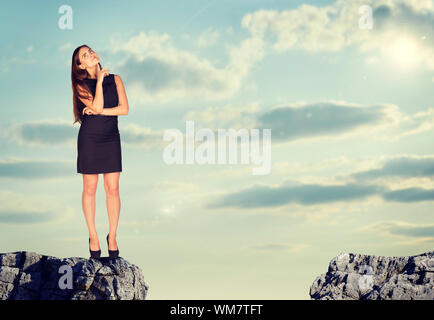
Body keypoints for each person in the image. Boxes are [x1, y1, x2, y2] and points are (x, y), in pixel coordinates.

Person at [71, 45, 129, 259]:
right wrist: (99, 82)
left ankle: (112, 236)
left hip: (111, 137)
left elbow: (124, 109)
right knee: (90, 188)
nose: (91, 54)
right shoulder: (80, 84)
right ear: (81, 65)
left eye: (91, 51)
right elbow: (96, 104)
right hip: (90, 138)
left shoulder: (116, 79)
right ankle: (93, 236)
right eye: (85, 55)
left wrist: (99, 112)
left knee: (112, 189)